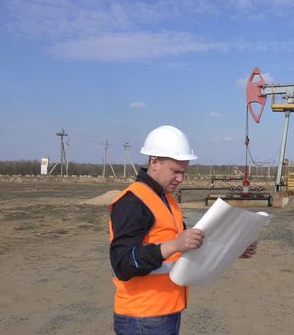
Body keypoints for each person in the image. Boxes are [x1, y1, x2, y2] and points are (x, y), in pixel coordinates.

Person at [109, 125, 257, 335]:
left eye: (184, 172)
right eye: (175, 171)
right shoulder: (132, 202)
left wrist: (234, 248)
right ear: (154, 162)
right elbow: (122, 264)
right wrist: (173, 245)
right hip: (141, 317)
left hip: (166, 312)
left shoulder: (167, 200)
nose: (181, 179)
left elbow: (190, 246)